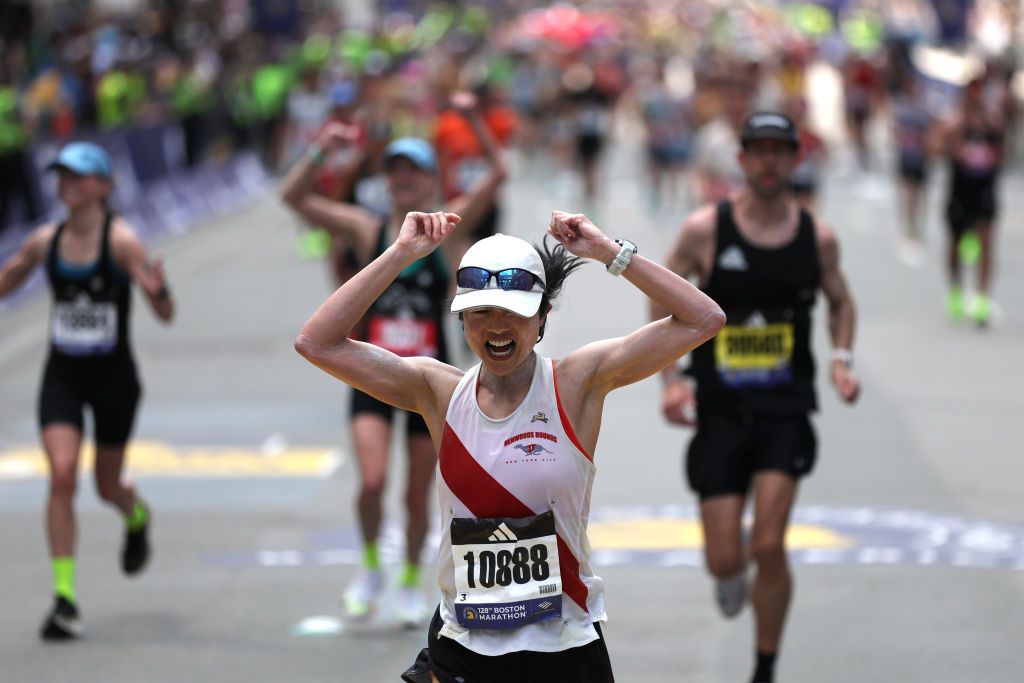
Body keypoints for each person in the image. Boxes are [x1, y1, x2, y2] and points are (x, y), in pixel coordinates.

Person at [295, 207, 724, 682]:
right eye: (481, 313)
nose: (496, 327)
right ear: (461, 319)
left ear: (541, 317)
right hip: (462, 645)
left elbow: (703, 318)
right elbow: (318, 342)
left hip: (564, 647)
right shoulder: (439, 392)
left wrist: (608, 252)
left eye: (514, 313)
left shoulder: (577, 385)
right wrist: (400, 254)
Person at [279, 92, 507, 626]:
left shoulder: (449, 232)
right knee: (373, 481)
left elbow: (498, 171)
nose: (403, 180)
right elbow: (294, 197)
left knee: (412, 495)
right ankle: (370, 569)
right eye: (395, 172)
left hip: (424, 386)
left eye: (413, 172)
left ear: (431, 178)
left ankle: (408, 579)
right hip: (369, 376)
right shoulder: (368, 230)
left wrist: (472, 118)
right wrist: (322, 148)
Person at [653, 112, 859, 683]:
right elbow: (661, 298)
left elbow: (841, 302)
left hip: (785, 411)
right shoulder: (705, 231)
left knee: (769, 543)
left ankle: (764, 668)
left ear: (795, 160)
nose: (770, 160)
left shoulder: (817, 238)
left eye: (780, 151)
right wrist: (670, 380)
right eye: (759, 150)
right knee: (725, 559)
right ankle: (729, 565)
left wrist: (842, 360)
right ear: (741, 160)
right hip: (719, 410)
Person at [0, 141, 174, 640]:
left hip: (114, 379)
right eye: (61, 176)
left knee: (105, 485)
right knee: (60, 476)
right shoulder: (43, 240)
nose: (67, 185)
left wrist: (159, 290)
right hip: (64, 376)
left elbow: (164, 314)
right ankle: (64, 598)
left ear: (102, 185)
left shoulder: (122, 243)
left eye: (78, 177)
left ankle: (135, 514)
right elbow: (8, 279)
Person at [941, 76, 1005, 326]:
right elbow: (941, 147)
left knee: (986, 242)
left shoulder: (992, 122)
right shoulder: (955, 122)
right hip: (960, 190)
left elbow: (1001, 152)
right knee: (955, 245)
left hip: (984, 190)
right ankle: (956, 290)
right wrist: (959, 149)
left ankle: (982, 299)